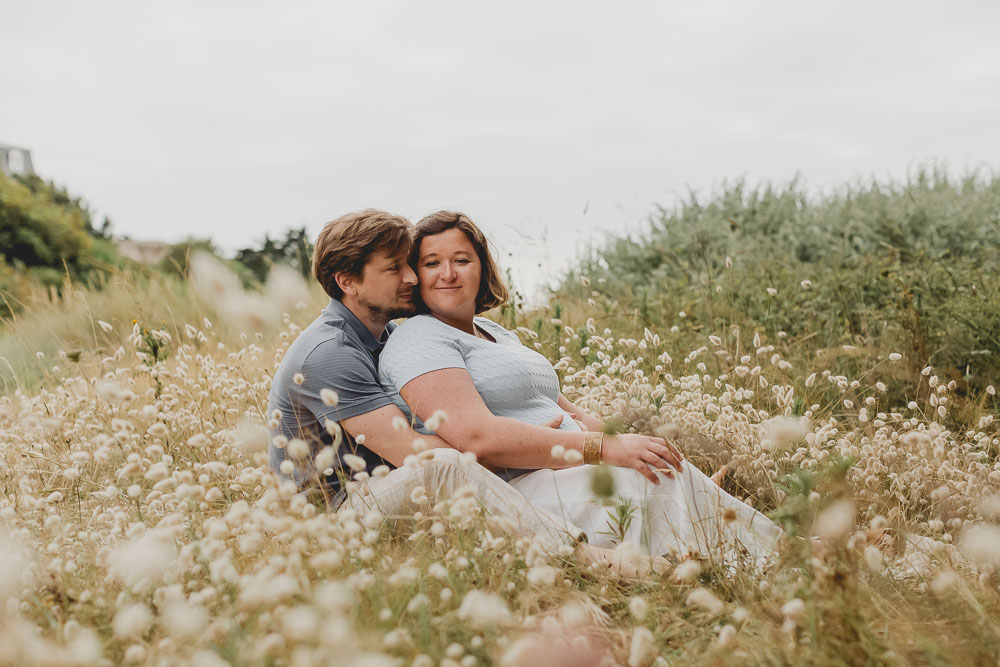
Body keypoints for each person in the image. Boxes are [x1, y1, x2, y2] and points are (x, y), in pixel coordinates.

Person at [266, 209, 664, 576]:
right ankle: (586, 559)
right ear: (347, 281)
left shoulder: (382, 333)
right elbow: (415, 455)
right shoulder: (329, 354)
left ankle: (672, 514)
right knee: (445, 465)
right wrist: (515, 441)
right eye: (393, 269)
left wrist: (526, 439)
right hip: (331, 518)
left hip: (386, 491)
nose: (410, 278)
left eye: (408, 264)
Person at [378, 211, 783, 563]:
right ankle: (757, 564)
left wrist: (621, 442)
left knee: (659, 467)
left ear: (481, 268)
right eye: (432, 263)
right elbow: (475, 436)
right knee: (646, 482)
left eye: (461, 260)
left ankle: (776, 550)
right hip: (518, 489)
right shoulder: (419, 339)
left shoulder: (494, 332)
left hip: (570, 466)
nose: (448, 273)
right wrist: (602, 449)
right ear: (415, 275)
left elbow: (567, 409)